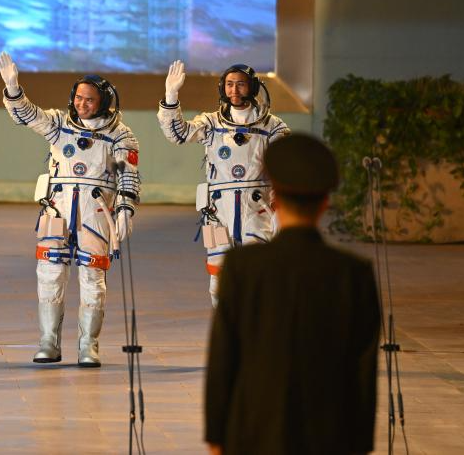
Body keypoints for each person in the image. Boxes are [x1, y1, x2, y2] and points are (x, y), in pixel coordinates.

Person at [204, 133, 381, 454]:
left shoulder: (242, 268)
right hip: (329, 437)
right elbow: (362, 372)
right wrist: (359, 444)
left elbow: (223, 358)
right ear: (325, 202)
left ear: (275, 198)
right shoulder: (353, 274)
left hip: (252, 433)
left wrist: (217, 437)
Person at [0, 51, 139, 367]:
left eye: (89, 99)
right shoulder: (59, 125)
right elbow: (27, 116)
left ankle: (89, 346)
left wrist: (126, 209)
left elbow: (127, 176)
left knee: (93, 279)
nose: (82, 104)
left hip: (95, 214)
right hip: (58, 210)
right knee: (49, 275)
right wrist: (13, 88)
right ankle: (48, 342)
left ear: (103, 102)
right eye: (78, 98)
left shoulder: (119, 134)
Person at [157, 61, 289, 307]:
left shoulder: (272, 126)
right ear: (222, 87)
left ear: (253, 87)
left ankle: (256, 327)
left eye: (240, 84)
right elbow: (178, 134)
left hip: (258, 209)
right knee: (218, 278)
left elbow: (285, 171)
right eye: (229, 84)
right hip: (218, 213)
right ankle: (226, 328)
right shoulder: (211, 123)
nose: (234, 90)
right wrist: (171, 96)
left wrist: (282, 211)